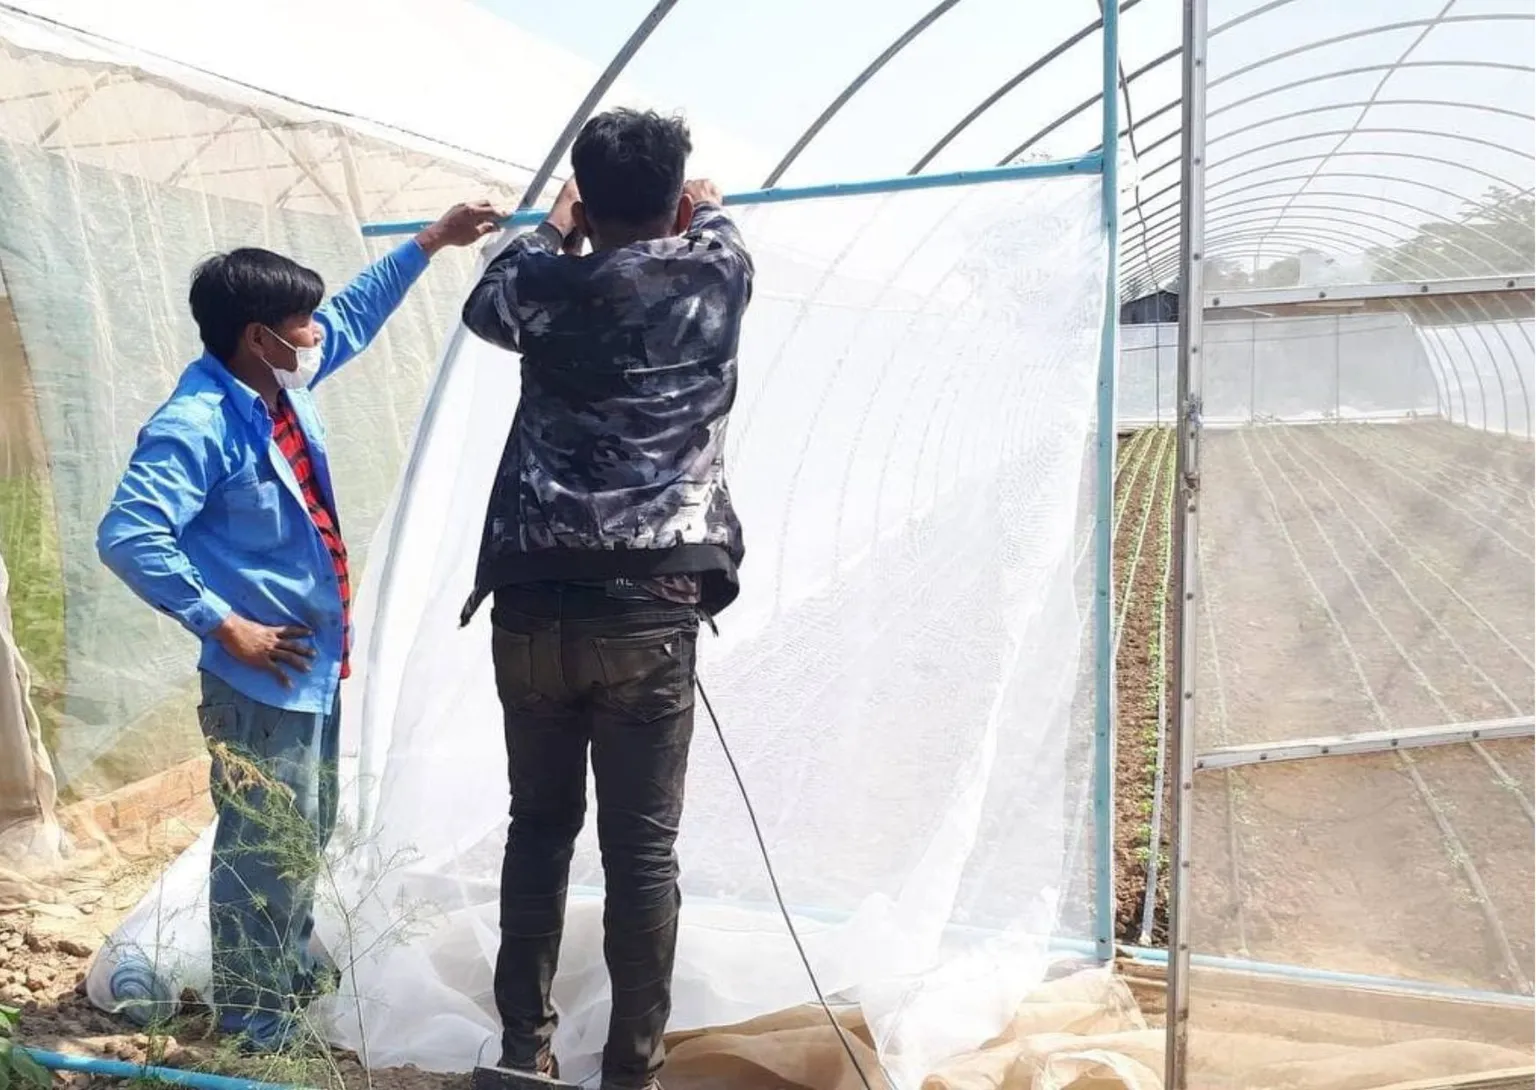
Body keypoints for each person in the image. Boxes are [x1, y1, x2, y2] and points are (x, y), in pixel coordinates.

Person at [96, 201, 501, 1051]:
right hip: (260, 672)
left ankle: (284, 968)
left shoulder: (276, 387)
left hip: (311, 663)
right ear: (256, 336)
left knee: (303, 827)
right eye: (298, 325)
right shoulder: (198, 423)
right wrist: (221, 624)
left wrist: (430, 243)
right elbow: (128, 535)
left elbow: (351, 318)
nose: (316, 335)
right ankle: (254, 1014)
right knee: (263, 840)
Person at [459, 108, 754, 1090]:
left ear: (584, 195)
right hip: (646, 611)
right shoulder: (709, 271)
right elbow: (719, 229)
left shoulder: (540, 283)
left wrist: (555, 228)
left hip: (532, 601)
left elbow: (487, 298)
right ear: (673, 198)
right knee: (641, 858)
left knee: (537, 829)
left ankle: (519, 1055)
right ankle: (632, 1073)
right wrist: (698, 209)